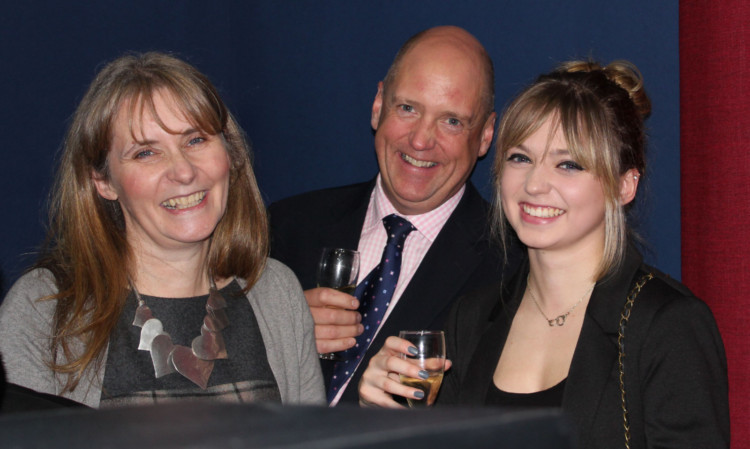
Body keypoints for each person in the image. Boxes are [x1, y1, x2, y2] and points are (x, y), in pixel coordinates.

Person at [359, 60, 730, 447]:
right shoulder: (471, 317)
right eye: (521, 158)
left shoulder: (668, 325)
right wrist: (385, 419)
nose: (535, 184)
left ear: (624, 186)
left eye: (568, 165)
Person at [0, 52, 324, 408]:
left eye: (195, 140)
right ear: (103, 181)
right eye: (145, 153)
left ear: (230, 155)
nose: (183, 172)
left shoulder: (277, 292)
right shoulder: (46, 308)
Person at [269, 26, 518, 405]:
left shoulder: (512, 274)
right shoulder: (285, 229)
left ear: (485, 135)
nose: (420, 140)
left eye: (451, 120)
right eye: (408, 108)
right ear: (377, 105)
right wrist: (276, 332)